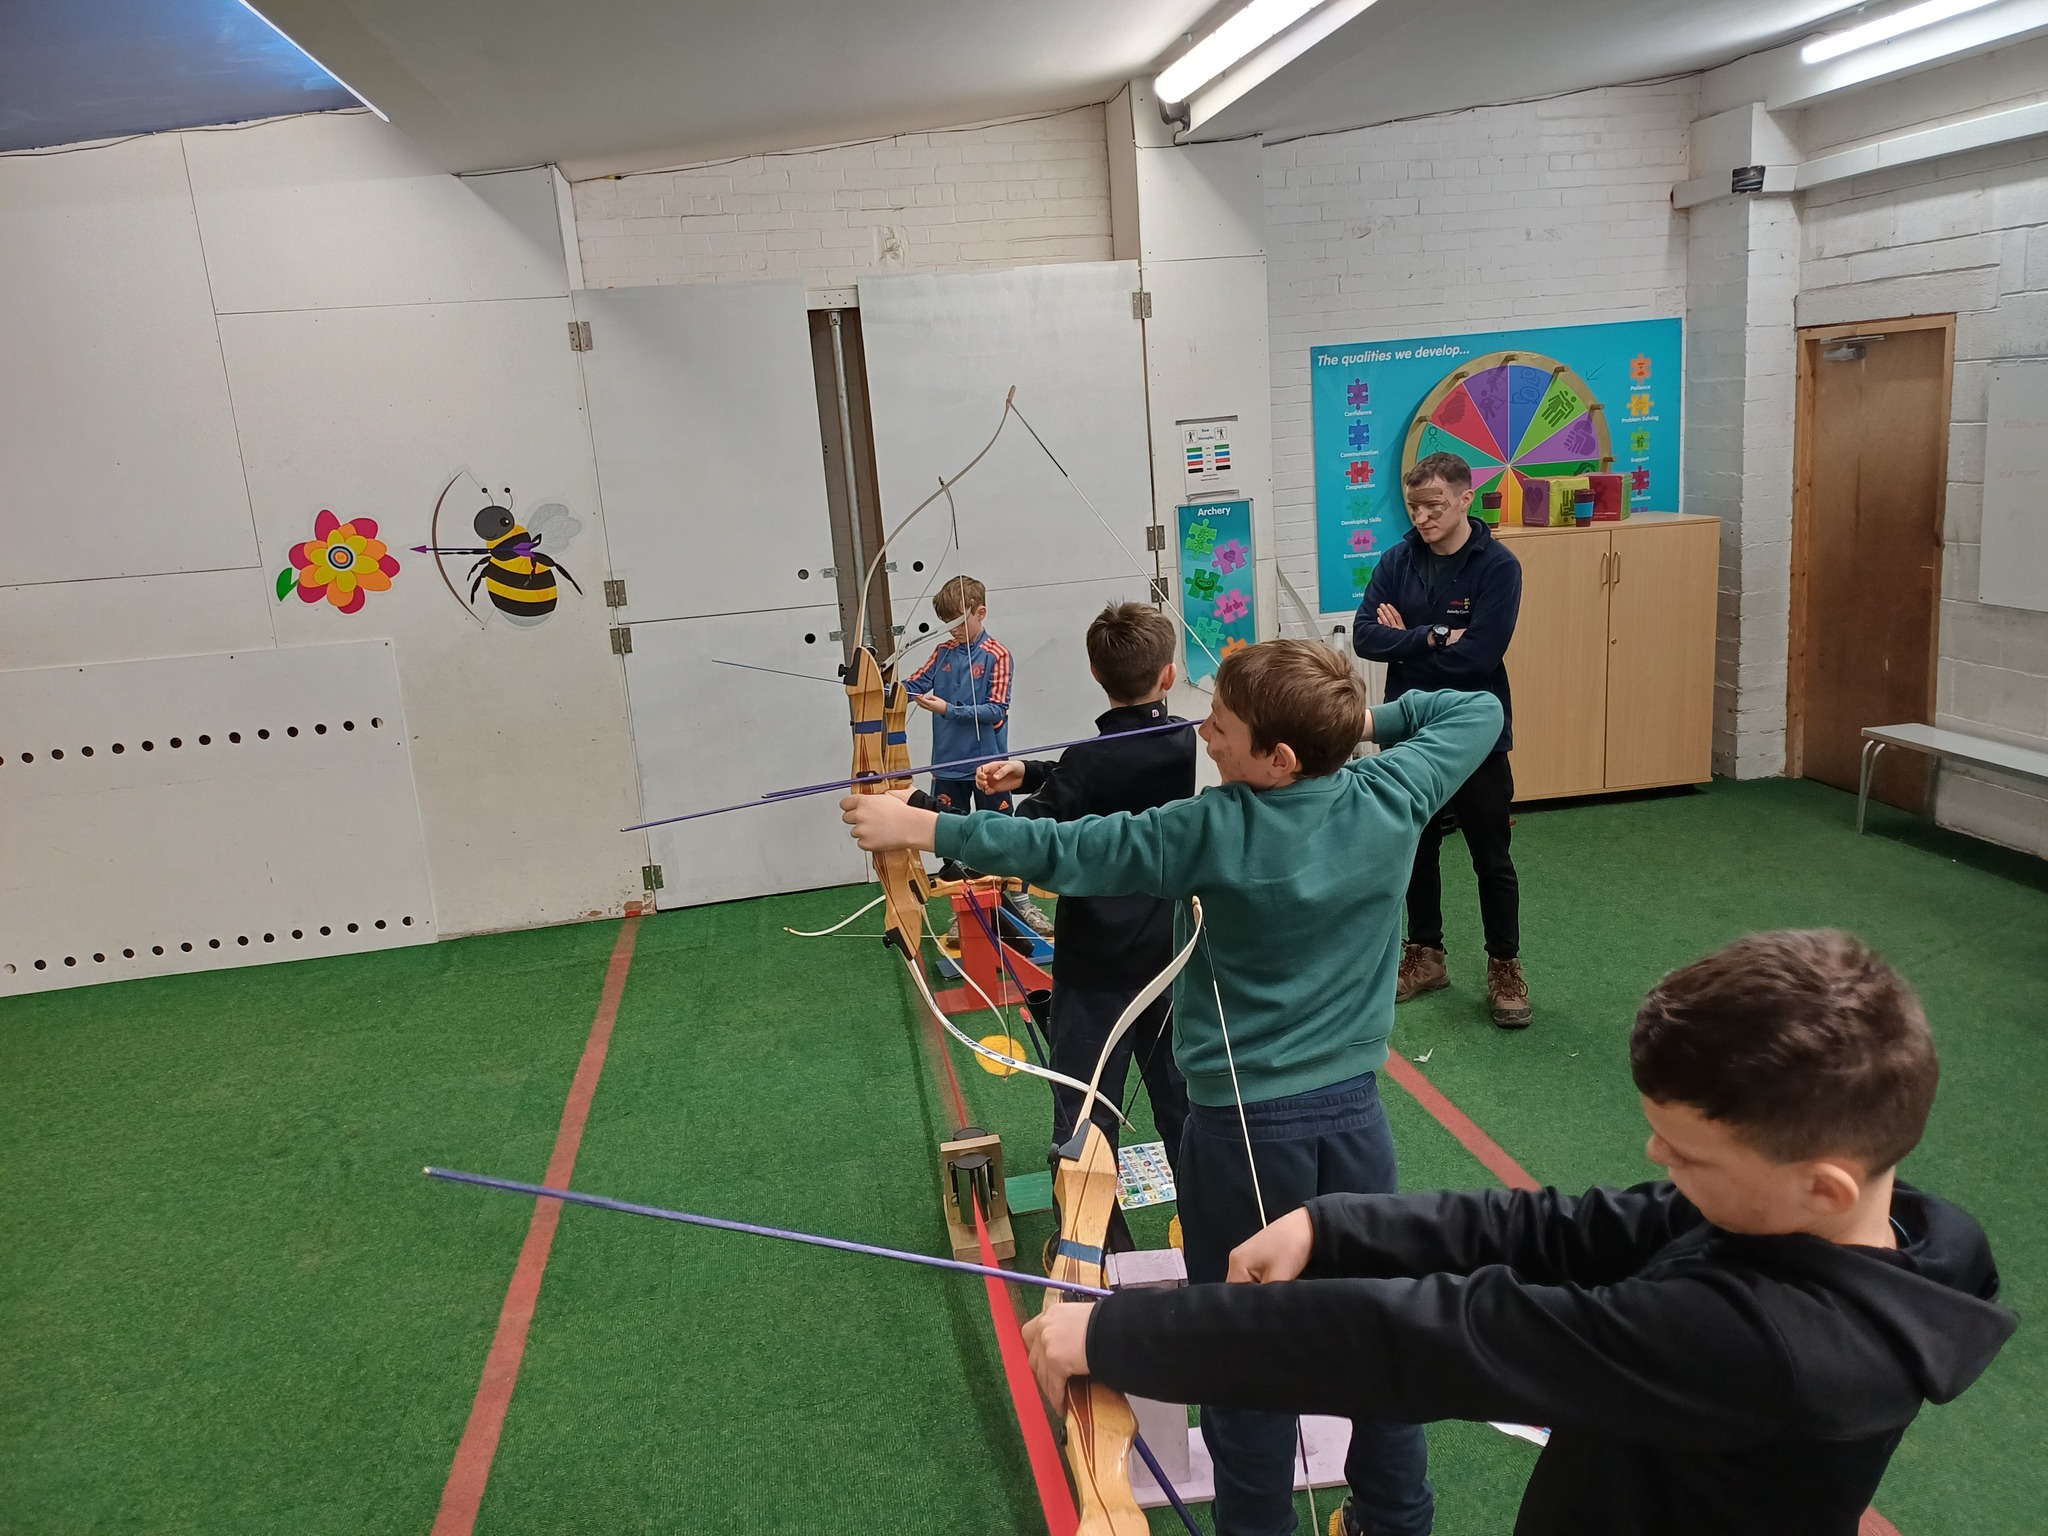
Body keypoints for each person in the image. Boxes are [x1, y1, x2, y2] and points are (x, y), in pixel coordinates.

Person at [1024, 929, 2016, 1536]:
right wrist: (1332, 1227)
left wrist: (1117, 1333)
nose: (1656, 1159)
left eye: (1686, 1153)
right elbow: (1551, 1230)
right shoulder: (1843, 1222)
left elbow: (1431, 1339)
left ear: (1821, 1183)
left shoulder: (1763, 1345)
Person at [845, 639, 1504, 1536]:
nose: (1204, 733)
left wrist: (921, 828)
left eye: (1223, 727)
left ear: (1278, 759)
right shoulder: (1394, 791)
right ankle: (1395, 1520)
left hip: (1243, 1139)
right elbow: (1475, 709)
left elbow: (1065, 850)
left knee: (1241, 1355)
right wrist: (1350, 723)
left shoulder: (1212, 828)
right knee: (1376, 1329)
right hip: (1357, 1124)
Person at [972, 602, 1197, 1251]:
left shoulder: (1087, 762)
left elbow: (1032, 831)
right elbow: (1106, 774)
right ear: (1168, 676)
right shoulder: (1184, 739)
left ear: (1095, 673)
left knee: (1085, 1111)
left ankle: (1097, 1253)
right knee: (1180, 1101)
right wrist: (1034, 772)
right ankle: (1213, 1228)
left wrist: (935, 810)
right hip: (1167, 957)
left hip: (1097, 965)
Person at [1353, 451, 1530, 1028]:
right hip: (1409, 734)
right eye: (1414, 507)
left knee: (1492, 857)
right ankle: (1425, 955)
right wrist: (1431, 637)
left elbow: (1480, 657)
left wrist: (1406, 642)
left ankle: (1505, 965)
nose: (1422, 517)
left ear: (1464, 499)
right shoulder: (1396, 560)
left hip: (1476, 736)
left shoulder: (1498, 567)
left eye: (1434, 506)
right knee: (1415, 848)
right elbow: (1365, 637)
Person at [902, 574, 1051, 938]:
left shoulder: (997, 655)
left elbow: (996, 709)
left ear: (980, 613)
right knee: (951, 839)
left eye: (958, 622)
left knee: (1005, 836)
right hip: (947, 766)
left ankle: (1020, 903)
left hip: (990, 768)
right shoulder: (943, 653)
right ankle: (965, 911)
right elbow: (911, 686)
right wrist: (881, 686)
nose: (952, 631)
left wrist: (948, 709)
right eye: (947, 624)